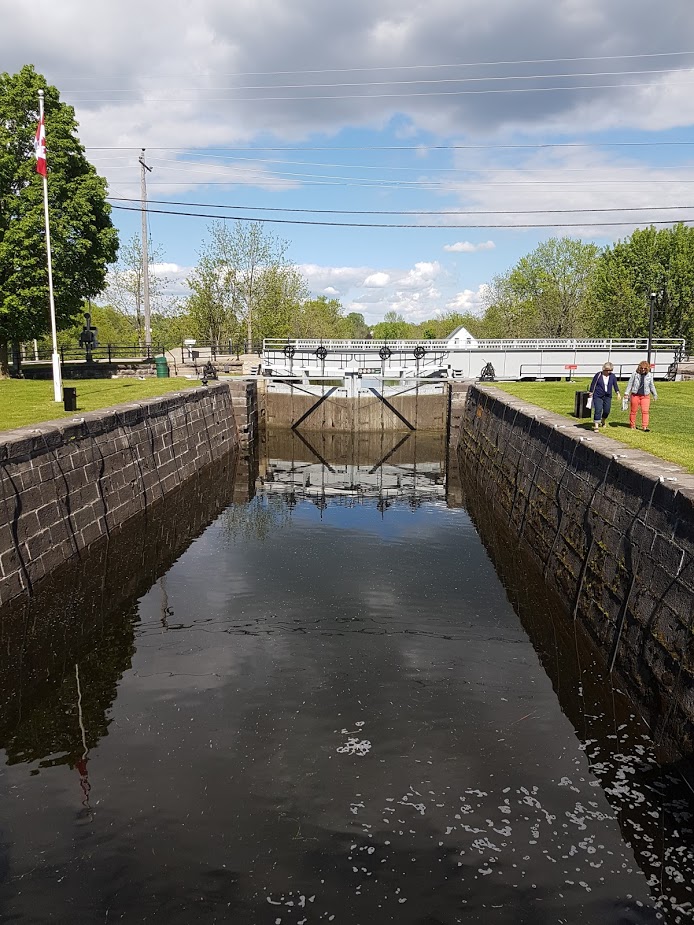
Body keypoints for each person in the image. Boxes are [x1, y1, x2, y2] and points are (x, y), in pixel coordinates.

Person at [625, 360, 658, 431]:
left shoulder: (649, 375)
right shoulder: (635, 374)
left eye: (645, 368)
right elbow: (630, 384)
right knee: (633, 411)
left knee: (645, 411)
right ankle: (632, 425)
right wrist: (626, 393)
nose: (643, 370)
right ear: (639, 367)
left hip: (645, 396)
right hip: (635, 395)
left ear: (647, 368)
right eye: (642, 368)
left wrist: (654, 394)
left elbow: (652, 385)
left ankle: (645, 426)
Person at [588, 362, 621, 432]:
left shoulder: (612, 376)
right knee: (598, 409)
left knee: (607, 410)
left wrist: (617, 393)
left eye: (610, 370)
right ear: (603, 369)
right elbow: (593, 384)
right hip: (598, 395)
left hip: (607, 396)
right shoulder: (598, 375)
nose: (608, 372)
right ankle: (596, 425)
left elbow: (615, 385)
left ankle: (603, 420)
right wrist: (591, 392)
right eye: (606, 370)